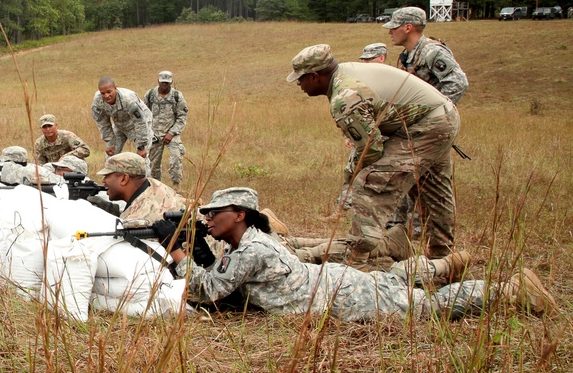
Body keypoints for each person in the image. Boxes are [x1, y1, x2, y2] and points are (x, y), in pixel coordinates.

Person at [161, 187, 554, 320]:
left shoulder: (252, 249)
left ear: (240, 215)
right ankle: (443, 265)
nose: (208, 218)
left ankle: (509, 292)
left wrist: (179, 254)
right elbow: (221, 275)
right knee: (389, 279)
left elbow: (207, 291)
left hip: (338, 298)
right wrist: (196, 244)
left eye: (215, 213)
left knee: (419, 308)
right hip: (333, 281)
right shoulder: (248, 242)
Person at [288, 44, 459, 260]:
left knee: (372, 182)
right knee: (432, 188)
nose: (298, 84)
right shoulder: (345, 74)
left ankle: (356, 255)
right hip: (441, 117)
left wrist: (351, 174)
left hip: (428, 125)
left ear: (314, 76)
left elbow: (371, 150)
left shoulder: (345, 98)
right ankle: (443, 259)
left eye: (300, 78)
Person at [384, 7, 468, 104]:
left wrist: (435, 108)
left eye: (394, 28)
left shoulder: (432, 52)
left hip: (433, 118)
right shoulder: (408, 54)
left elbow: (459, 83)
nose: (390, 32)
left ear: (408, 28)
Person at [95, 152, 183, 224]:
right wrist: (114, 211)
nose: (104, 181)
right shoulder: (153, 185)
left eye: (107, 176)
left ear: (124, 179)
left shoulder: (138, 220)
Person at [144, 70, 189, 189]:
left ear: (171, 82)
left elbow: (182, 116)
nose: (165, 85)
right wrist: (148, 132)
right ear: (158, 81)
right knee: (153, 164)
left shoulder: (177, 96)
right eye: (163, 82)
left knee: (176, 158)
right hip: (154, 134)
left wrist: (172, 133)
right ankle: (155, 187)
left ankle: (176, 186)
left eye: (167, 83)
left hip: (172, 133)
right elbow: (144, 114)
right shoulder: (150, 95)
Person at [91, 77, 153, 160]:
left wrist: (141, 146)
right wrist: (110, 143)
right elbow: (102, 122)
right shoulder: (98, 100)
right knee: (110, 157)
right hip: (119, 124)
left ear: (115, 89)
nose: (106, 96)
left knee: (141, 159)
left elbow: (140, 122)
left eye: (109, 92)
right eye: (103, 93)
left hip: (140, 124)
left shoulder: (129, 99)